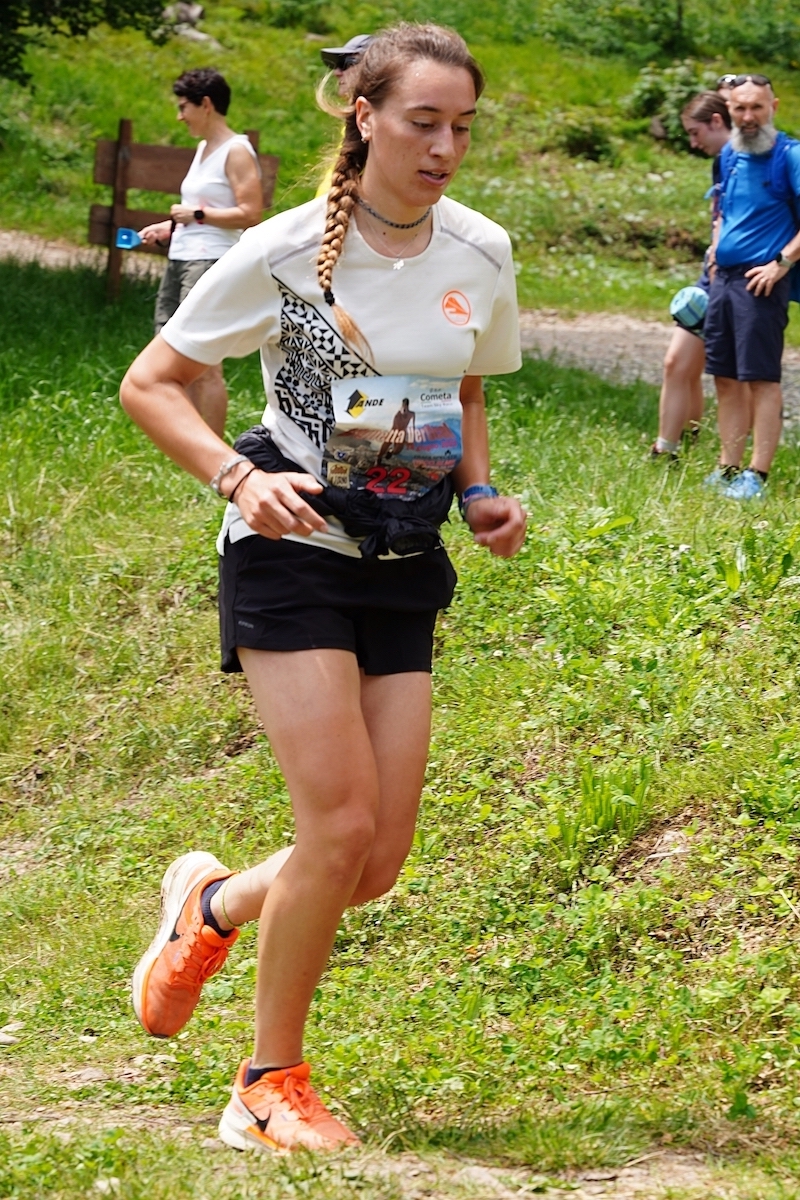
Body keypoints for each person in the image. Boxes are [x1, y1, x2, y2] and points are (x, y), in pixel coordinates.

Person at [121, 22, 526, 1154]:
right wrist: (238, 478)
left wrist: (480, 493)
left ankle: (210, 909)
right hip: (289, 545)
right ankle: (266, 1085)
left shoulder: (481, 249)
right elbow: (152, 382)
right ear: (364, 114)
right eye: (422, 122)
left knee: (373, 861)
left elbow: (466, 390)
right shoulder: (286, 249)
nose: (444, 148)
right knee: (337, 826)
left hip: (403, 554)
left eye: (462, 128)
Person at [138, 68, 263, 438]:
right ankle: (190, 445)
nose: (180, 116)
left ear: (206, 104)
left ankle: (211, 452)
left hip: (210, 261)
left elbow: (251, 213)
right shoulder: (202, 149)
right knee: (176, 356)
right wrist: (169, 226)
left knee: (205, 362)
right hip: (181, 258)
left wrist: (195, 215)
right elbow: (202, 210)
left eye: (184, 107)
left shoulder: (236, 150)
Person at [702, 74, 800, 499]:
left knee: (761, 378)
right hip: (723, 280)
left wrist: (781, 264)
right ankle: (727, 467)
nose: (748, 117)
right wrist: (714, 249)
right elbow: (722, 207)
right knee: (724, 377)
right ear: (729, 110)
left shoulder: (790, 156)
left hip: (761, 283)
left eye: (756, 107)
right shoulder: (730, 154)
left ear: (772, 108)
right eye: (740, 108)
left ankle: (757, 475)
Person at [650, 88, 751, 460]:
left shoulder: (755, 158)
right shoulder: (723, 161)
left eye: (695, 133)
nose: (693, 143)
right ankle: (672, 446)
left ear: (717, 121)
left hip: (741, 276)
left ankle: (736, 461)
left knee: (733, 376)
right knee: (679, 362)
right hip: (712, 275)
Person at [315, 34, 374, 198]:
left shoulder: (376, 126)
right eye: (336, 65)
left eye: (346, 64)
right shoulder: (353, 122)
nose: (337, 72)